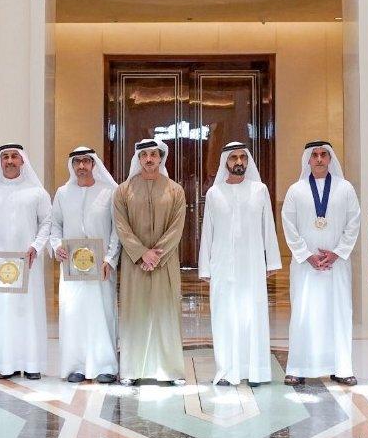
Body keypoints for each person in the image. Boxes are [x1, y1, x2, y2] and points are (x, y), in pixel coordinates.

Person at [199, 142, 282, 386]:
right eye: (233, 157)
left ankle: (256, 371)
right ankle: (226, 371)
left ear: (248, 161)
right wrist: (205, 267)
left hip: (253, 264)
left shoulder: (260, 190)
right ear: (225, 162)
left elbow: (268, 226)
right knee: (224, 315)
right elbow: (207, 232)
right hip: (223, 265)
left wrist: (272, 261)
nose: (238, 162)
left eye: (242, 157)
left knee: (252, 314)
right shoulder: (214, 194)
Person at [281, 141, 361, 386]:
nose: (318, 159)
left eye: (323, 155)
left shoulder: (345, 188)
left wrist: (337, 253)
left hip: (336, 266)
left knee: (338, 313)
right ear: (308, 160)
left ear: (330, 159)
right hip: (306, 266)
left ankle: (341, 367)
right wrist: (307, 255)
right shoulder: (296, 190)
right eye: (314, 155)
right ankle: (298, 367)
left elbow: (354, 222)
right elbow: (289, 225)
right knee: (304, 313)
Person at [0, 144, 52, 380]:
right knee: (2, 312)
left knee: (29, 312)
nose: (9, 160)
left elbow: (46, 222)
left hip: (29, 263)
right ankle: (5, 365)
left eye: (14, 156)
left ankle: (31, 364)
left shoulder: (37, 192)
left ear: (22, 161)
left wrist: (36, 247)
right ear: (0, 162)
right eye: (5, 157)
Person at [113, 139, 186, 386]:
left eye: (153, 154)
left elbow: (177, 227)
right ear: (138, 158)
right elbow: (121, 227)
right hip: (135, 264)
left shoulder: (175, 190)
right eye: (144, 155)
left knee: (166, 312)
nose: (149, 159)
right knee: (136, 313)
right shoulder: (123, 190)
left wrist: (156, 255)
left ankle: (171, 370)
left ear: (161, 157)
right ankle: (132, 369)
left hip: (165, 263)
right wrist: (142, 253)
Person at [51, 146, 121, 384]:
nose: (81, 166)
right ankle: (76, 366)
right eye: (77, 162)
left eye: (86, 162)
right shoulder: (62, 193)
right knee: (74, 314)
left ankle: (105, 366)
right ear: (72, 165)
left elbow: (116, 231)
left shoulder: (109, 191)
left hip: (100, 267)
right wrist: (56, 245)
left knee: (102, 314)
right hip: (71, 268)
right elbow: (55, 226)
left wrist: (110, 259)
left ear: (93, 164)